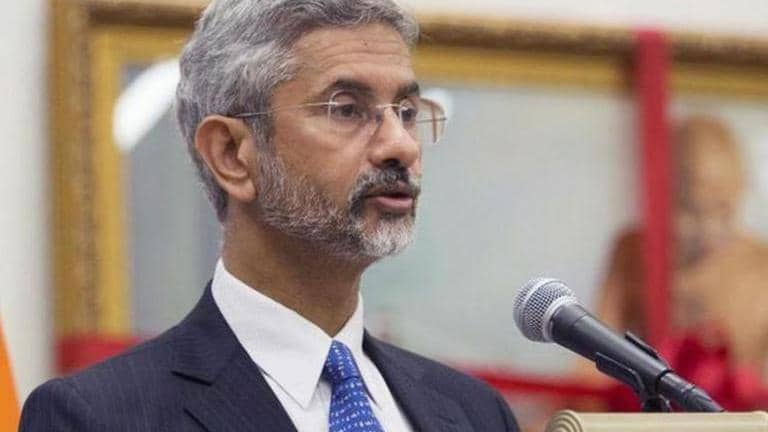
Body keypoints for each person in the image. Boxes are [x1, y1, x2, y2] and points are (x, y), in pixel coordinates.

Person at [20, 0, 519, 430]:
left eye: (406, 111)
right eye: (346, 108)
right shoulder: (98, 417)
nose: (401, 146)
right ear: (231, 155)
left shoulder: (476, 413)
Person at [592, 115, 768, 383]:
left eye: (723, 210)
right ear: (660, 196)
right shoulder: (633, 251)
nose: (707, 228)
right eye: (689, 210)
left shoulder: (759, 265)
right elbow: (593, 353)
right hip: (648, 403)